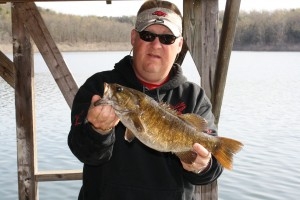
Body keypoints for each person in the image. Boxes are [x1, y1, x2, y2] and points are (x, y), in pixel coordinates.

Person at [68, 0, 223, 199]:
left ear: (180, 45)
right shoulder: (99, 87)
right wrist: (97, 131)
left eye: (167, 38)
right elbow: (83, 152)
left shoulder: (195, 98)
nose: (156, 45)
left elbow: (211, 171)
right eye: (148, 36)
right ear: (134, 38)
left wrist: (203, 165)